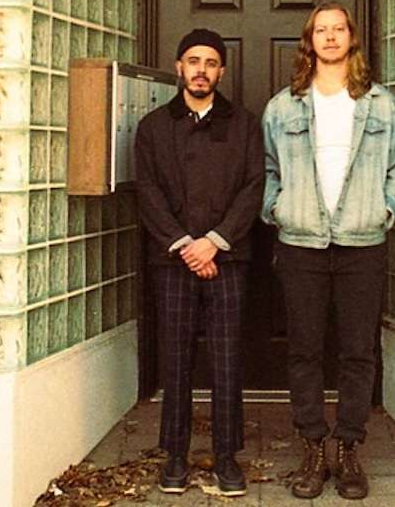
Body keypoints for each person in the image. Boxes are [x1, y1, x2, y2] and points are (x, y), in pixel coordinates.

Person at [261, 2, 395, 500]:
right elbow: (267, 168)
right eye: (321, 30)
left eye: (338, 29)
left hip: (361, 243)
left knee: (357, 351)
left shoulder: (381, 105)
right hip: (301, 242)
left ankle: (349, 448)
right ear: (310, 41)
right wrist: (278, 208)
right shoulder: (283, 106)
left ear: (351, 38)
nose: (330, 37)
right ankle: (312, 447)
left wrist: (385, 209)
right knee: (304, 350)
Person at [133, 28, 265, 497]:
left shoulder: (245, 124)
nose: (201, 70)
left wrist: (215, 241)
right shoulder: (153, 127)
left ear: (221, 71)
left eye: (210, 62)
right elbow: (148, 191)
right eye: (193, 61)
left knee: (227, 359)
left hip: (228, 257)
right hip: (173, 260)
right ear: (179, 67)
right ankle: (175, 455)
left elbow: (254, 186)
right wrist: (185, 245)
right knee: (175, 358)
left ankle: (227, 456)